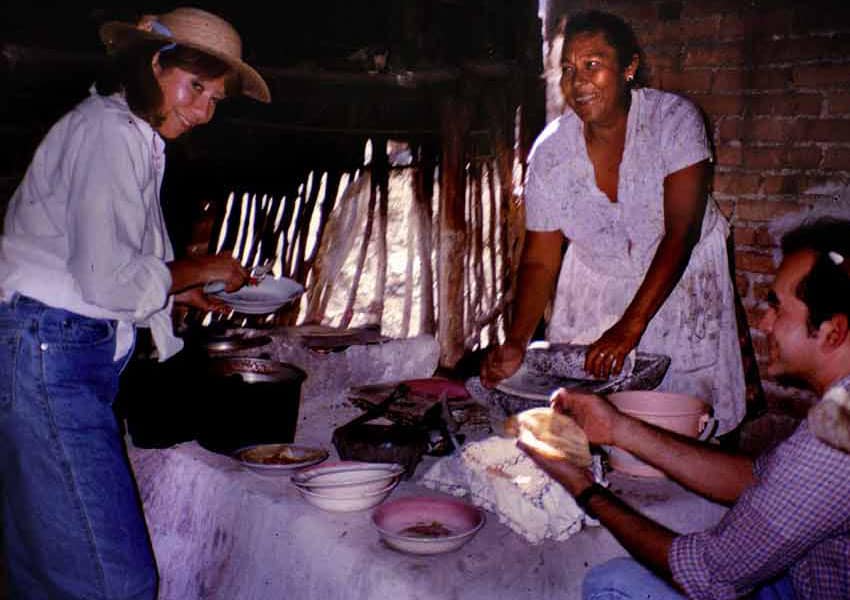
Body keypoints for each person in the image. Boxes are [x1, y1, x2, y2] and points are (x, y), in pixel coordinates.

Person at [0, 7, 270, 599]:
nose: (202, 111)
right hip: (52, 357)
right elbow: (106, 280)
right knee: (117, 584)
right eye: (195, 86)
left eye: (216, 99)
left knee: (44, 575)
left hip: (44, 349)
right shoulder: (111, 133)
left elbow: (111, 261)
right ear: (153, 62)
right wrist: (200, 266)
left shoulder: (131, 134)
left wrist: (179, 287)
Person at [519, 216, 850, 599]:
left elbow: (708, 575)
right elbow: (758, 478)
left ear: (833, 332)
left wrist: (584, 488)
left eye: (777, 307)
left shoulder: (836, 439)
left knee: (611, 584)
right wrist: (617, 428)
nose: (764, 322)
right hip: (816, 577)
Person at [481, 10, 746, 436]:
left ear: (629, 68)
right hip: (597, 279)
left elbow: (681, 232)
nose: (578, 80)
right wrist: (516, 341)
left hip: (679, 274)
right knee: (583, 417)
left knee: (679, 414)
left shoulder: (674, 122)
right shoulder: (551, 153)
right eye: (568, 69)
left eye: (592, 65)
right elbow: (540, 260)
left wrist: (629, 326)